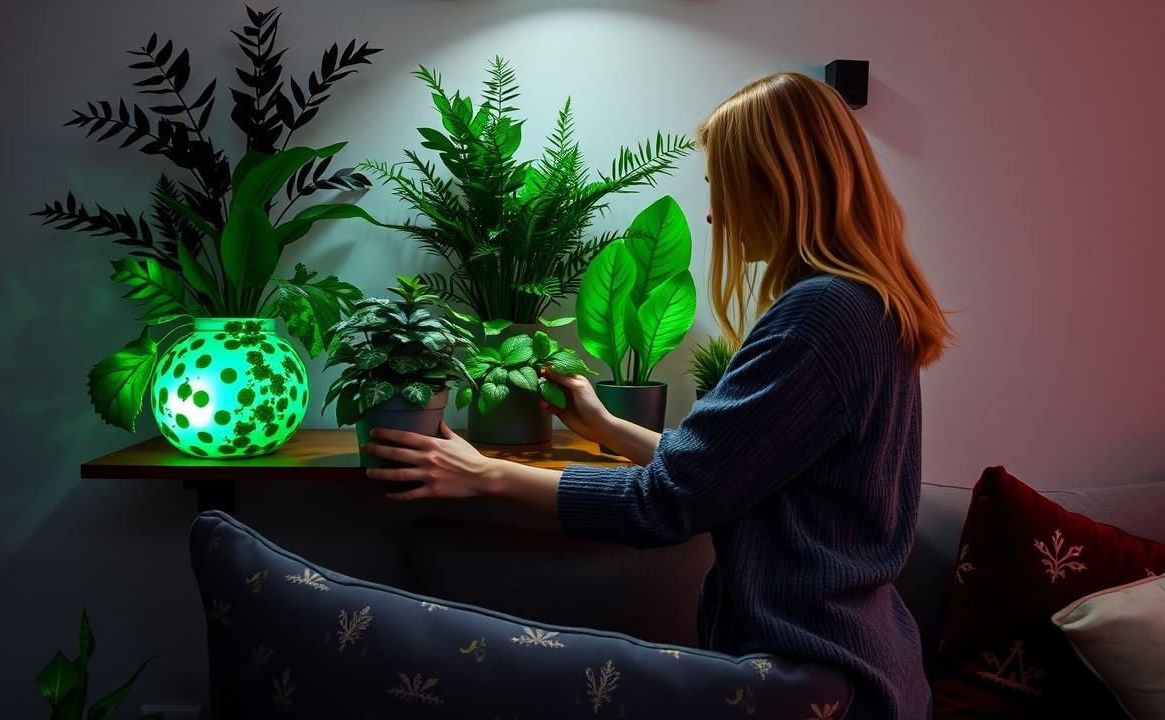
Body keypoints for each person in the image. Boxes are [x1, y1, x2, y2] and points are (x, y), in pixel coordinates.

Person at [361, 71, 951, 720]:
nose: (712, 213)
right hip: (859, 664)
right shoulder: (863, 306)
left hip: (816, 679)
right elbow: (730, 471)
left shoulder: (821, 317)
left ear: (774, 182)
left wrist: (484, 474)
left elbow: (666, 503)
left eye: (719, 187)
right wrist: (604, 425)